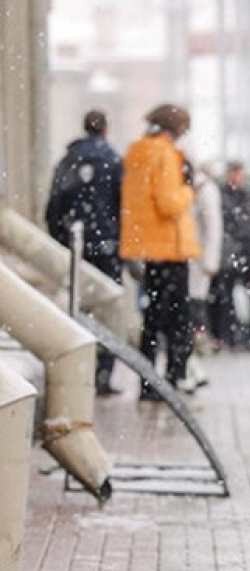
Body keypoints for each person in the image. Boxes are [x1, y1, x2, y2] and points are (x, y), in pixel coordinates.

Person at [119, 104, 199, 401]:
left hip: (149, 249)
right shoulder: (164, 154)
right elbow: (169, 203)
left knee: (152, 318)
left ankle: (148, 381)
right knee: (178, 319)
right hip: (170, 249)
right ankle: (173, 378)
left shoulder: (137, 152)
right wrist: (190, 190)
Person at [46, 110, 125, 395]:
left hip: (75, 249)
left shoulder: (68, 160)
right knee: (108, 309)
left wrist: (60, 240)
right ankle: (103, 372)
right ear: (105, 129)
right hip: (106, 248)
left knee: (76, 307)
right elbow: (123, 205)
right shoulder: (114, 160)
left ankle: (78, 372)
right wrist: (119, 242)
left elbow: (53, 207)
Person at [209, 161, 250, 351]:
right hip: (228, 254)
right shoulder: (221, 195)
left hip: (247, 252)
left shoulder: (249, 197)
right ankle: (227, 337)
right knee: (224, 298)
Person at [181, 163, 223, 392]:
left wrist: (210, 262)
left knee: (194, 316)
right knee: (187, 317)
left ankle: (192, 365)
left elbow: (214, 228)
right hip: (181, 261)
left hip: (195, 264)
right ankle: (189, 365)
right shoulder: (183, 186)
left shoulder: (204, 188)